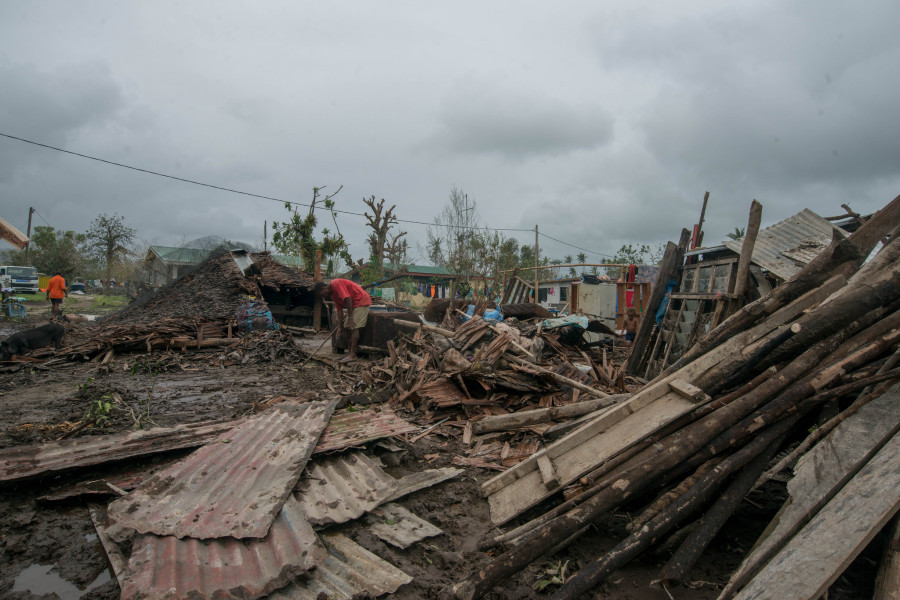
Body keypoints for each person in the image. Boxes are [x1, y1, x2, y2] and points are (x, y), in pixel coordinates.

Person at [314, 279, 372, 362]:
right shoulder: (333, 295)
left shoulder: (336, 283)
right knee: (346, 327)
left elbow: (348, 299)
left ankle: (353, 355)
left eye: (321, 294)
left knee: (353, 326)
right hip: (354, 305)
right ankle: (349, 353)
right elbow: (339, 310)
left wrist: (350, 317)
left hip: (361, 301)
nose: (323, 296)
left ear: (324, 287)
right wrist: (340, 327)